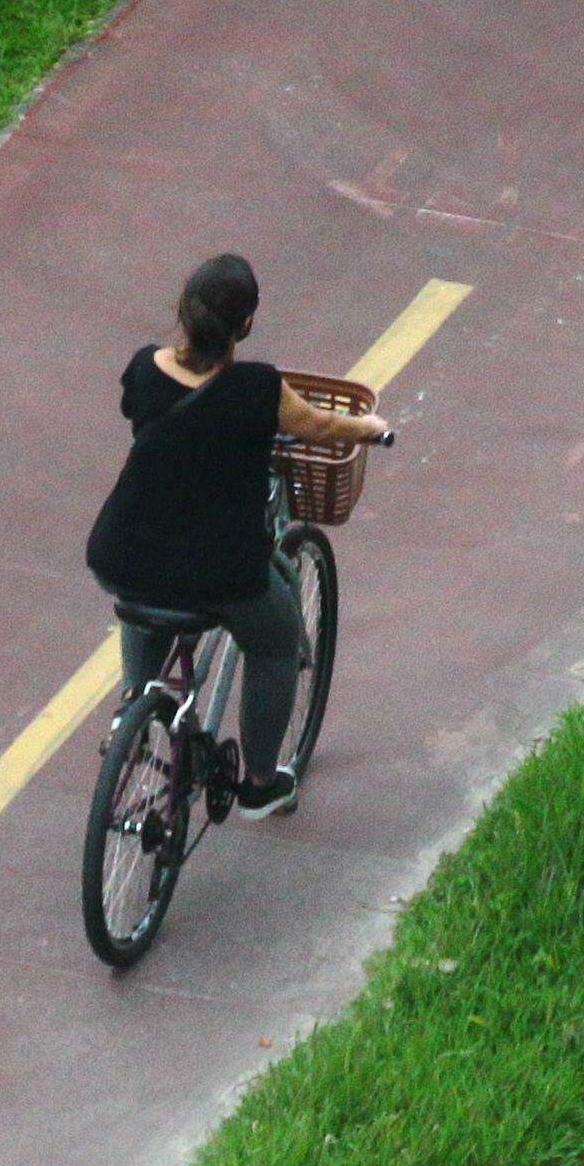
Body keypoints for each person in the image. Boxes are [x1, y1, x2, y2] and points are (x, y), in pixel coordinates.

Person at [84, 253, 387, 817]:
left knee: (142, 594)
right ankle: (260, 784)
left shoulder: (144, 369)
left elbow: (141, 410)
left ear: (182, 311)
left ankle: (134, 705)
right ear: (245, 325)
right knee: (274, 646)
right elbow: (319, 425)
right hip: (217, 570)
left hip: (120, 549)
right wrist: (367, 429)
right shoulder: (257, 388)